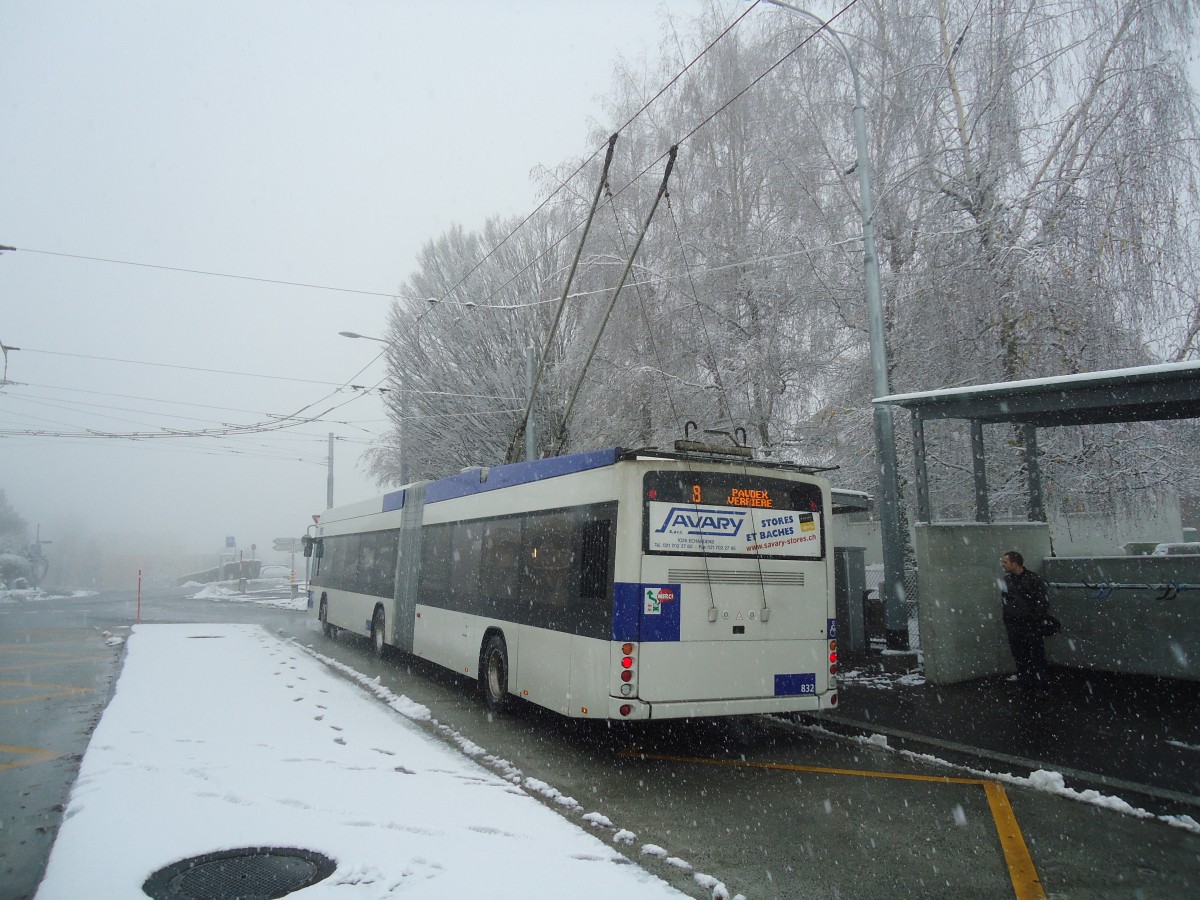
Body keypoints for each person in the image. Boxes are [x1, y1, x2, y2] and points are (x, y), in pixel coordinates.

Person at [1000, 550, 1050, 693]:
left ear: (1015, 564)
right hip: (1014, 625)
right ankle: (1026, 684)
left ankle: (1041, 687)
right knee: (1020, 656)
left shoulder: (1033, 579)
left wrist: (1034, 620)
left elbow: (1042, 603)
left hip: (1030, 626)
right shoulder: (1007, 581)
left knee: (1036, 657)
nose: (1003, 565)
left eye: (1005, 562)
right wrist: (1009, 621)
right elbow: (1005, 602)